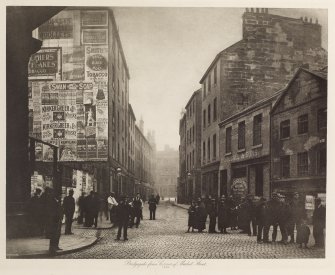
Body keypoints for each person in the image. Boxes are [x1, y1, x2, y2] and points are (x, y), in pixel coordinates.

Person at [45, 188, 63, 255]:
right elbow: (52, 211)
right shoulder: (52, 201)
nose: (60, 196)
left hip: (57, 220)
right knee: (53, 234)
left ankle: (56, 246)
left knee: (57, 234)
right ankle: (52, 248)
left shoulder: (57, 201)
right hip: (54, 220)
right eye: (59, 195)